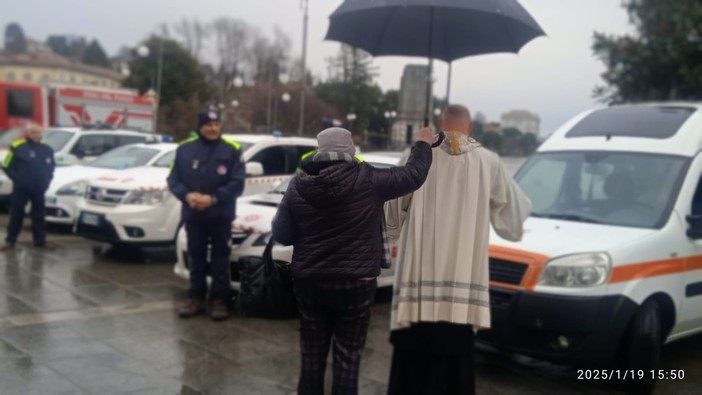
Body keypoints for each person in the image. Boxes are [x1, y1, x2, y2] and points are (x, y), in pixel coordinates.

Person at [272, 127, 434, 395]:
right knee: (348, 356)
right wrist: (422, 144)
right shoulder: (370, 178)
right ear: (350, 150)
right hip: (356, 282)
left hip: (309, 280)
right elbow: (414, 175)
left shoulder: (298, 184)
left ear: (319, 149)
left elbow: (282, 234)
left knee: (311, 354)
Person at [385, 104, 532, 395]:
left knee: (410, 374)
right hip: (461, 288)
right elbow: (513, 220)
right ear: (470, 128)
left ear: (440, 123)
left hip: (417, 286)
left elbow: (390, 217)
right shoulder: (488, 162)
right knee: (453, 375)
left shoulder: (415, 155)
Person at [167, 111, 246, 321]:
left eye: (216, 124)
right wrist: (188, 196)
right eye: (208, 124)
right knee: (196, 257)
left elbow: (238, 182)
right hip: (194, 214)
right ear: (200, 126)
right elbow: (173, 179)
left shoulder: (232, 150)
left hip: (220, 215)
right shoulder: (184, 150)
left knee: (221, 258)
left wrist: (213, 199)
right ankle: (195, 298)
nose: (213, 128)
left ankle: (220, 300)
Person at [1, 123, 55, 250]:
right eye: (33, 132)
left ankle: (40, 241)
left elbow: (51, 167)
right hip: (21, 189)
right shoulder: (17, 146)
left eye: (38, 132)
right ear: (27, 133)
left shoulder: (47, 148)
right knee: (17, 214)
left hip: (39, 189)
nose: (36, 135)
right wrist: (18, 179)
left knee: (38, 216)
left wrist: (47, 181)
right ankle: (10, 240)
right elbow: (6, 165)